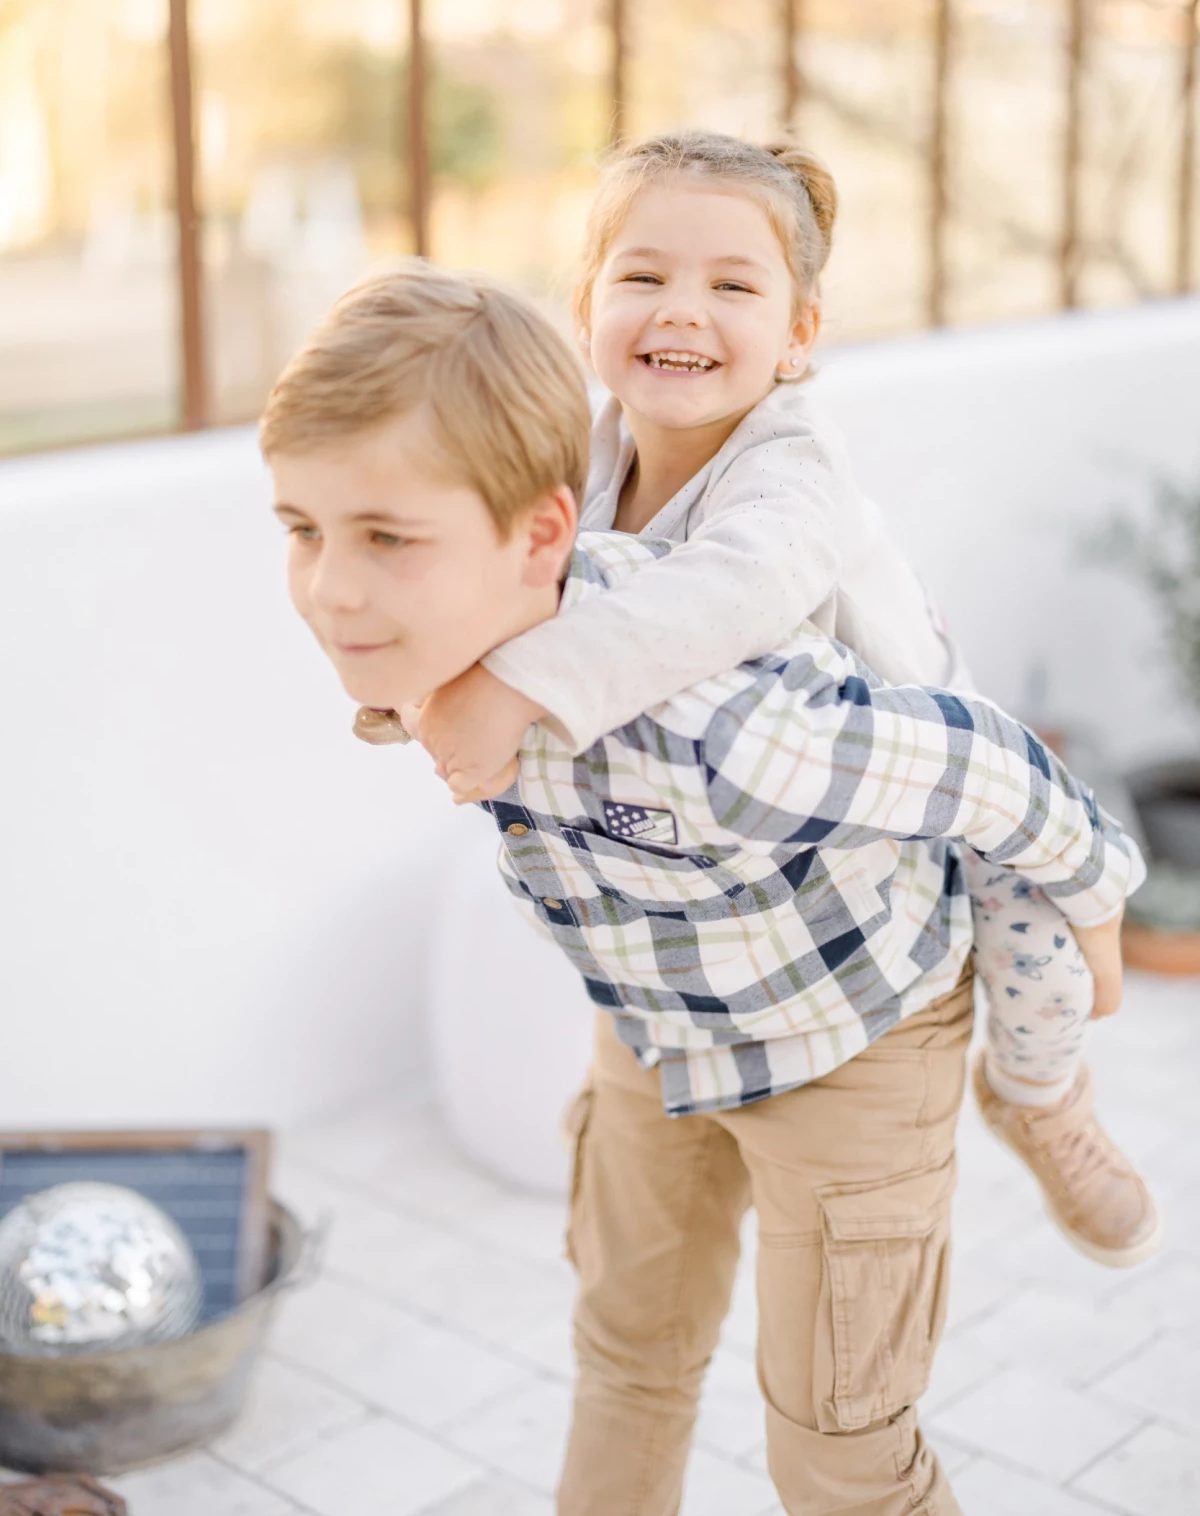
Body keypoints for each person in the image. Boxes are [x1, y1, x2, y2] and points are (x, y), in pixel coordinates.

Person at [261, 261, 1145, 1516]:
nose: (332, 590)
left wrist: (1099, 911)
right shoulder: (440, 642)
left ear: (543, 537)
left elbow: (997, 764)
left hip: (854, 1045)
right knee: (626, 1364)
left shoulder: (728, 725)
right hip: (668, 1032)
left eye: (387, 539)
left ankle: (1043, 1104)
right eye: (304, 531)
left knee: (843, 1454)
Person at [410, 130, 1160, 1271]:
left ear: (798, 336)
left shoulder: (792, 470)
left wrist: (522, 681)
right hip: (767, 869)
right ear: (588, 302)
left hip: (931, 782)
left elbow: (725, 595)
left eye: (732, 286)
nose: (682, 312)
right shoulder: (585, 462)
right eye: (645, 277)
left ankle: (1041, 1098)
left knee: (1047, 956)